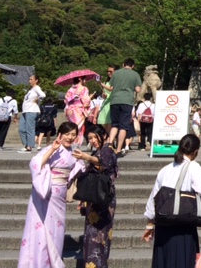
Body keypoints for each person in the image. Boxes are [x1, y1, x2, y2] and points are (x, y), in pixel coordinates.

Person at [18, 121, 80, 268]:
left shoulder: (73, 151)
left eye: (73, 134)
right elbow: (36, 164)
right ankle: (42, 262)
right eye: (67, 134)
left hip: (61, 194)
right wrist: (52, 149)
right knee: (43, 228)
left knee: (58, 229)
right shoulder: (51, 149)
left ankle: (53, 258)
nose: (70, 137)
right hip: (48, 192)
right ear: (60, 134)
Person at [143, 134, 201, 268]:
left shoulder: (165, 169)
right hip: (183, 225)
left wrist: (150, 225)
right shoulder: (193, 166)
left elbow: (153, 198)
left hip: (163, 225)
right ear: (196, 152)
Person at [73, 124, 118, 268]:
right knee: (91, 235)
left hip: (103, 198)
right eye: (90, 138)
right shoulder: (98, 151)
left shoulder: (108, 150)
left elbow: (104, 164)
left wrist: (86, 157)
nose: (92, 140)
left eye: (95, 137)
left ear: (104, 135)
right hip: (94, 197)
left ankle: (97, 265)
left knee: (99, 236)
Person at [108, 58, 142, 156]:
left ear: (123, 64)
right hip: (127, 101)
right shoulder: (135, 74)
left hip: (115, 100)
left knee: (114, 125)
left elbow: (111, 87)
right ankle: (118, 149)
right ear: (133, 66)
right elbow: (138, 89)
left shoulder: (116, 73)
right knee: (123, 126)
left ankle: (109, 144)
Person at [18, 74, 46, 153]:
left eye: (31, 79)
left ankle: (29, 146)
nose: (29, 81)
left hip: (32, 110)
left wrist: (38, 99)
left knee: (30, 129)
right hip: (25, 111)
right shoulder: (31, 90)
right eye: (29, 79)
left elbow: (43, 95)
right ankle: (26, 144)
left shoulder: (36, 88)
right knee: (21, 129)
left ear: (36, 80)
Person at [64, 76, 91, 147]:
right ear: (80, 79)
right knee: (79, 128)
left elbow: (66, 100)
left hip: (70, 111)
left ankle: (70, 142)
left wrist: (73, 97)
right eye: (84, 79)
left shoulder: (70, 89)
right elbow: (86, 101)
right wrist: (88, 100)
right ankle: (76, 144)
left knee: (72, 127)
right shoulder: (84, 88)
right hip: (78, 110)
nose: (85, 81)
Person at [98, 65, 117, 136]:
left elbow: (111, 89)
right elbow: (104, 94)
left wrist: (102, 84)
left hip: (112, 104)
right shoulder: (107, 82)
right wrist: (103, 95)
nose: (109, 73)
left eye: (111, 71)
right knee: (102, 124)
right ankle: (104, 138)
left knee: (110, 123)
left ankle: (108, 139)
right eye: (108, 71)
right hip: (105, 104)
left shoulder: (117, 81)